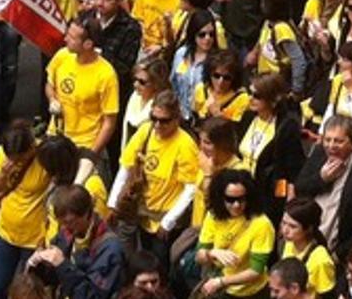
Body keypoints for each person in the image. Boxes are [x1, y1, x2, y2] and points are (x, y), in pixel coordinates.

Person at [108, 90, 198, 260]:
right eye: (154, 118)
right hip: (142, 211)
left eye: (164, 121)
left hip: (165, 218)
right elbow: (125, 168)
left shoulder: (185, 145)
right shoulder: (146, 131)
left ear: (176, 119)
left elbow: (190, 189)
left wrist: (168, 222)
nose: (157, 125)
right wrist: (113, 204)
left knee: (159, 264)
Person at [292, 115, 352, 266]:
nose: (331, 146)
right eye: (327, 140)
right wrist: (321, 179)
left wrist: (339, 256)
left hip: (339, 252)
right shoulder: (319, 153)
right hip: (306, 241)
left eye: (338, 141)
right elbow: (299, 189)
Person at [25, 184, 125, 299]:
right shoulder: (66, 234)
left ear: (87, 213)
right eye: (61, 222)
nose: (65, 227)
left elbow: (93, 296)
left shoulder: (110, 249)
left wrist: (62, 265)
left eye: (70, 222)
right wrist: (39, 265)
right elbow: (52, 278)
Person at [0, 120, 49, 299]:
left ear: (31, 148)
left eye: (20, 158)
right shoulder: (5, 153)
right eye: (12, 158)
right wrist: (4, 173)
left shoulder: (45, 156)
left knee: (28, 293)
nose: (16, 162)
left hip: (34, 238)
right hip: (6, 233)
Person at [45, 17, 119, 157]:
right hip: (56, 137)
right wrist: (52, 100)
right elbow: (50, 84)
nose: (65, 39)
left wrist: (91, 154)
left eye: (72, 37)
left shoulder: (106, 75)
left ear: (88, 44)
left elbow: (109, 122)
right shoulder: (62, 56)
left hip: (84, 144)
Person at [195, 169, 275, 298]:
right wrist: (211, 253)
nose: (236, 205)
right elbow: (199, 256)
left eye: (241, 199)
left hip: (251, 293)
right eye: (230, 199)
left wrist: (222, 282)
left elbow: (256, 271)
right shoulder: (213, 216)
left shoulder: (262, 224)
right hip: (221, 289)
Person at [238, 73, 304, 223]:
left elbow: (289, 170)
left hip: (267, 195)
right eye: (250, 93)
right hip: (241, 191)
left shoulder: (286, 126)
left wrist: (281, 202)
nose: (250, 99)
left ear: (273, 100)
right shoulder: (248, 117)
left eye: (256, 96)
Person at [276, 199, 335, 298]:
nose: (285, 230)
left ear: (309, 228)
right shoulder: (287, 243)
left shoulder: (320, 260)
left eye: (293, 226)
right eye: (284, 223)